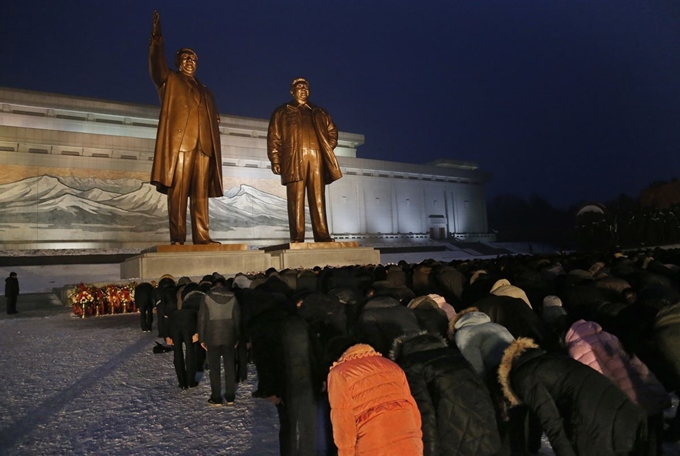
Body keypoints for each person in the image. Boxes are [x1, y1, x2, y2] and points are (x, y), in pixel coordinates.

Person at [148, 10, 223, 245]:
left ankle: (202, 236)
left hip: (204, 146)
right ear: (177, 62)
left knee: (200, 194)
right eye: (185, 58)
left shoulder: (206, 91)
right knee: (178, 193)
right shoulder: (169, 80)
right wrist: (157, 39)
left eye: (193, 59)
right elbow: (156, 66)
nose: (189, 62)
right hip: (181, 145)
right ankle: (178, 238)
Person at [267, 78, 342, 243]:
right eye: (299, 87)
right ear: (292, 91)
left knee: (318, 198)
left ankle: (322, 235)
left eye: (305, 87)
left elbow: (332, 131)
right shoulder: (282, 112)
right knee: (296, 198)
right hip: (294, 158)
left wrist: (326, 147)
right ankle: (297, 236)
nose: (303, 89)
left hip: (316, 158)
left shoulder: (319, 112)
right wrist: (275, 160)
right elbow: (274, 137)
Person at [327, 342, 423, 455]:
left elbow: (343, 423)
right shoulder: (393, 366)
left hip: (373, 444)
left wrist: (346, 453)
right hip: (409, 440)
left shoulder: (339, 374)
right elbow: (413, 410)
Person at [197, 279, 240, 405]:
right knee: (230, 367)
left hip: (212, 336)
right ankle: (230, 396)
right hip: (229, 336)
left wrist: (201, 338)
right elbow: (237, 318)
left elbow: (202, 319)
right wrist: (237, 336)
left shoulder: (207, 297)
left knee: (214, 368)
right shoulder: (232, 296)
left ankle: (216, 397)